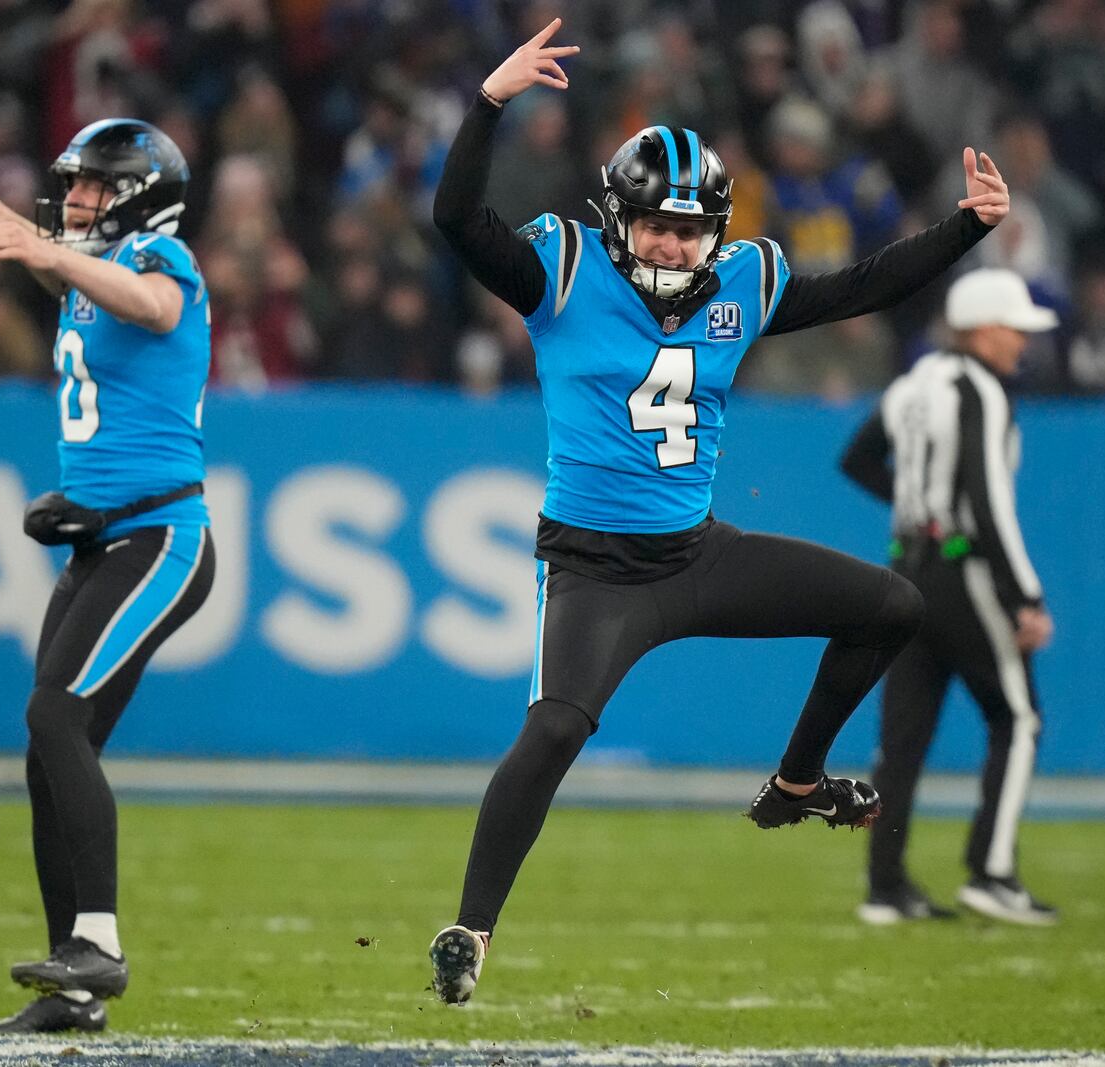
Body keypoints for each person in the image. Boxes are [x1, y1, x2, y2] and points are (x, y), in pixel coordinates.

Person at [426, 17, 1008, 1005]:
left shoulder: (742, 280)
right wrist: (486, 106)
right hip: (596, 567)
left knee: (892, 605)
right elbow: (455, 221)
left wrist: (970, 227)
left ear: (716, 233)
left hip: (696, 552)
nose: (672, 241)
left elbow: (862, 287)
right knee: (556, 728)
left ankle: (795, 781)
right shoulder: (562, 269)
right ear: (619, 218)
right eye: (657, 222)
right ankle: (470, 930)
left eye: (691, 228)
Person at [0, 119, 216, 1034]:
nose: (79, 202)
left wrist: (35, 239)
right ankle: (75, 987)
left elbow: (153, 308)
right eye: (75, 187)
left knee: (54, 713)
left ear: (142, 195)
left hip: (163, 538)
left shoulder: (163, 258)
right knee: (48, 750)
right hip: (103, 537)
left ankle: (97, 943)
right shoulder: (98, 260)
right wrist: (18, 227)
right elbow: (75, 276)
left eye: (97, 187)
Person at [840, 267, 1059, 928]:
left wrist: (916, 509)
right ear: (985, 329)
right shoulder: (979, 389)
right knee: (1017, 719)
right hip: (960, 567)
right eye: (1014, 328)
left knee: (901, 740)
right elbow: (987, 495)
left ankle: (885, 886)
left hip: (904, 566)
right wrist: (1025, 593)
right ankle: (991, 872)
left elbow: (856, 458)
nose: (1022, 341)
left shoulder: (913, 383)